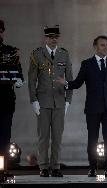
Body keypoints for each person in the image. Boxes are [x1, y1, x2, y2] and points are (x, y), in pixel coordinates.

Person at [56, 35, 107, 177]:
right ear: (95, 46)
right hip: (93, 108)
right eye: (103, 45)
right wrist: (65, 83)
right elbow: (77, 83)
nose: (106, 47)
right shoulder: (87, 64)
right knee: (92, 139)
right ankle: (92, 168)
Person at [28, 25, 73, 177]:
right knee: (43, 136)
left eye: (56, 37)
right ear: (45, 38)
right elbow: (32, 79)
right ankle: (43, 167)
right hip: (43, 102)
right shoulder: (37, 54)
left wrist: (68, 101)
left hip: (59, 101)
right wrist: (33, 100)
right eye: (50, 37)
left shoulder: (64, 54)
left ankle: (55, 166)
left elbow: (70, 79)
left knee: (57, 137)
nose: (53, 40)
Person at [0, 19, 24, 171]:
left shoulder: (10, 51)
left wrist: (18, 80)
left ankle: (2, 169)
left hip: (5, 100)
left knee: (4, 137)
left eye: (0, 30)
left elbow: (18, 74)